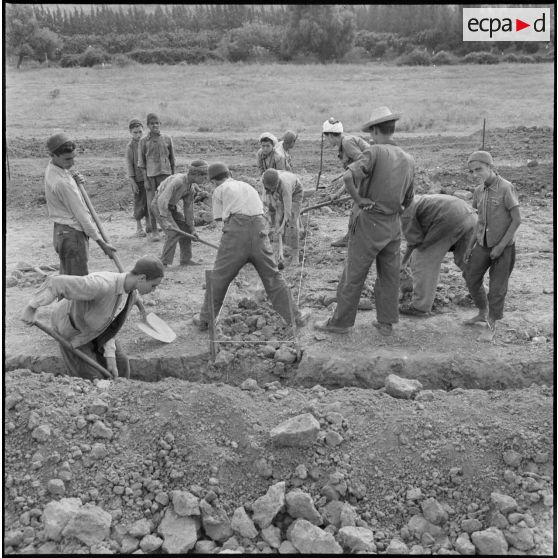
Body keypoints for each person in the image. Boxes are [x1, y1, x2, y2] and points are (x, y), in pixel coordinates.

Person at [315, 107, 415, 337]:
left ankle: (340, 323)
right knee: (389, 276)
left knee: (354, 274)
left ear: (376, 130)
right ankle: (386, 323)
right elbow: (409, 198)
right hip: (393, 225)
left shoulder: (374, 152)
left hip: (370, 222)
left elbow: (349, 176)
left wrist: (359, 200)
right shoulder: (408, 159)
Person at [192, 162, 310, 331]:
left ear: (212, 181)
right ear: (230, 173)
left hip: (236, 232)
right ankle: (295, 317)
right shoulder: (247, 186)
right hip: (259, 230)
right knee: (272, 277)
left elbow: (220, 221)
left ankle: (205, 319)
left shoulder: (219, 191)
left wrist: (229, 247)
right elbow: (261, 211)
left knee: (219, 277)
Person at [21, 255, 165, 380]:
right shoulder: (101, 284)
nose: (154, 290)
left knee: (121, 368)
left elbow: (111, 327)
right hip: (73, 330)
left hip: (98, 330)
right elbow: (57, 282)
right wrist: (31, 307)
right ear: (142, 278)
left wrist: (110, 358)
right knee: (91, 378)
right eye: (153, 286)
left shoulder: (131, 294)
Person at [463, 151, 521, 341]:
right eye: (472, 171)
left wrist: (501, 246)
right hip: (482, 244)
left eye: (478, 169)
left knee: (497, 288)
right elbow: (479, 221)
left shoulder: (506, 188)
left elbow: (516, 220)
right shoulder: (479, 191)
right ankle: (482, 311)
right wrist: (470, 247)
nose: (475, 174)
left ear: (490, 167)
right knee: (470, 276)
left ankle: (491, 324)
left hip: (503, 248)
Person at [44, 132, 116, 276]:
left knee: (68, 282)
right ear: (53, 155)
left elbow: (67, 179)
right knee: (79, 286)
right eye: (67, 159)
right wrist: (102, 244)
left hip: (62, 232)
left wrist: (74, 180)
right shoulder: (62, 183)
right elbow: (82, 216)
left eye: (73, 157)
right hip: (72, 236)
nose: (72, 163)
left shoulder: (54, 168)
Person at [399, 194, 478, 316]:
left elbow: (415, 242)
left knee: (422, 259)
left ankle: (420, 306)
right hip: (469, 215)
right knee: (463, 260)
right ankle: (481, 293)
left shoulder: (406, 211)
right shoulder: (419, 200)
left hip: (449, 218)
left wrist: (404, 262)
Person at [321, 117, 371, 247]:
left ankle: (350, 239)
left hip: (369, 177)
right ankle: (355, 237)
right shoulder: (344, 144)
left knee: (357, 209)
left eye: (327, 137)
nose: (327, 141)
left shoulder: (347, 143)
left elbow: (364, 162)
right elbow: (352, 172)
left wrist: (360, 188)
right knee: (359, 209)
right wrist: (338, 193)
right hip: (365, 177)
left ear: (331, 135)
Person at [151, 160, 209, 267]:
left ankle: (185, 260)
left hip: (171, 207)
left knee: (185, 230)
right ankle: (163, 262)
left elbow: (188, 210)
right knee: (173, 233)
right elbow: (162, 199)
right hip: (159, 205)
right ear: (196, 174)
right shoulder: (178, 181)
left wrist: (192, 229)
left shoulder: (190, 188)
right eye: (204, 177)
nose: (205, 180)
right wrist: (164, 220)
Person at [138, 113, 176, 242]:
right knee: (151, 204)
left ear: (160, 124)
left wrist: (174, 176)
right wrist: (146, 180)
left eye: (157, 123)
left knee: (166, 202)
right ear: (148, 125)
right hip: (151, 176)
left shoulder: (167, 138)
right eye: (152, 123)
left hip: (166, 175)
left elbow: (172, 159)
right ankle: (154, 231)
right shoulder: (143, 141)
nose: (155, 125)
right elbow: (141, 163)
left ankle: (168, 229)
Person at [262, 169, 303, 265]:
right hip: (279, 194)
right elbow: (269, 201)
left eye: (273, 187)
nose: (271, 190)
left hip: (295, 194)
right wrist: (276, 222)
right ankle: (280, 248)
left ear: (277, 183)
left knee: (291, 222)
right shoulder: (265, 180)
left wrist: (282, 225)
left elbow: (287, 212)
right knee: (274, 215)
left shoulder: (285, 186)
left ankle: (295, 253)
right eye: (269, 188)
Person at [125, 118, 150, 238]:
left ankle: (149, 225)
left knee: (149, 202)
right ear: (130, 132)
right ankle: (139, 227)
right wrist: (133, 182)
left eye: (140, 132)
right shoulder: (130, 147)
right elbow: (129, 165)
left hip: (149, 178)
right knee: (139, 202)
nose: (138, 135)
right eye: (135, 132)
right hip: (138, 180)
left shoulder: (146, 143)